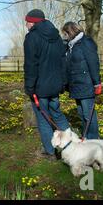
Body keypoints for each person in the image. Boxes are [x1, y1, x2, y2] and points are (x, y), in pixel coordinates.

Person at [23, 9, 70, 160]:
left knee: (43, 119)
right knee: (57, 114)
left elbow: (31, 65)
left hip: (40, 87)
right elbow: (63, 61)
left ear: (34, 22)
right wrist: (63, 82)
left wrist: (30, 87)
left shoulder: (32, 38)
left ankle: (50, 152)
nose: (26, 25)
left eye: (28, 22)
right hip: (55, 86)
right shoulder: (56, 37)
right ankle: (70, 146)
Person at [62, 22, 102, 139]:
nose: (64, 36)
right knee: (82, 114)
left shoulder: (86, 43)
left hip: (86, 84)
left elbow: (93, 63)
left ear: (71, 32)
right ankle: (87, 136)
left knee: (88, 114)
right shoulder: (71, 45)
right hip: (76, 85)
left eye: (65, 33)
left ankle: (93, 139)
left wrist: (97, 83)